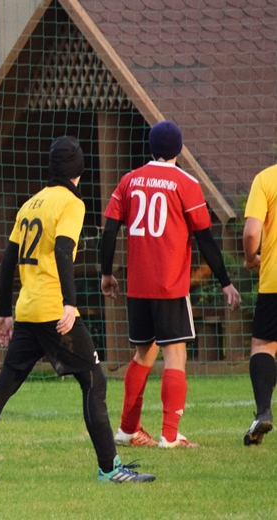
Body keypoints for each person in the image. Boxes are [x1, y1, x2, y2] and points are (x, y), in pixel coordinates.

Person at [0, 136, 155, 484]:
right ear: (79, 169)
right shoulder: (71, 203)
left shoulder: (31, 203)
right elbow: (63, 251)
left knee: (5, 383)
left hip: (28, 309)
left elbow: (8, 258)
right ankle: (110, 468)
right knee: (93, 380)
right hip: (54, 311)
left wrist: (4, 311)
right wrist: (70, 303)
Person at [99, 120, 241, 449]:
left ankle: (128, 430)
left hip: (138, 285)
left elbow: (109, 231)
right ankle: (170, 435)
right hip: (169, 284)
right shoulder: (185, 183)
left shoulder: (129, 180)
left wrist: (106, 273)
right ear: (178, 149)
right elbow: (204, 238)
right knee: (175, 355)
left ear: (151, 148)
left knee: (143, 354)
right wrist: (225, 282)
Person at [241, 162, 277, 445]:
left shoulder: (266, 178)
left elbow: (252, 233)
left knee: (263, 345)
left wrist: (251, 258)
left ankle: (263, 411)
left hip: (274, 280)